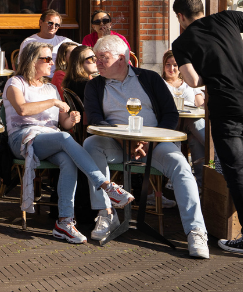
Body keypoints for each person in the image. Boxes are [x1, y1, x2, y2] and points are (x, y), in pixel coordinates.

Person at [82, 35, 208, 258]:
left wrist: (151, 142)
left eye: (103, 58)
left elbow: (170, 114)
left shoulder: (148, 78)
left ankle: (196, 230)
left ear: (122, 58)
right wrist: (126, 141)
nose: (97, 62)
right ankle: (107, 212)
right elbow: (94, 119)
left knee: (180, 164)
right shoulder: (94, 85)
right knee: (91, 144)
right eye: (96, 58)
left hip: (154, 145)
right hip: (115, 143)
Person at [3, 42, 133, 244]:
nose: (51, 62)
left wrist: (71, 119)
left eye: (50, 58)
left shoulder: (50, 88)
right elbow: (22, 109)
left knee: (67, 159)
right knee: (65, 139)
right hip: (22, 138)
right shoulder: (15, 83)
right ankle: (105, 185)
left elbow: (61, 124)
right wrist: (54, 102)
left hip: (49, 137)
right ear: (31, 61)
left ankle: (64, 221)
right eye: (46, 58)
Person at [171, 0, 243, 255]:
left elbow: (193, 81)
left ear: (181, 17)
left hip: (225, 110)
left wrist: (215, 74)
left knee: (237, 173)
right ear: (202, 10)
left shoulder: (182, 42)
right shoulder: (228, 17)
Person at [162, 49, 206, 186]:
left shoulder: (189, 83)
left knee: (195, 129)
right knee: (195, 135)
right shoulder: (160, 83)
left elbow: (200, 105)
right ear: (163, 66)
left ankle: (200, 183)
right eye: (168, 65)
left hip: (189, 125)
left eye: (175, 65)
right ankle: (216, 152)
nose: (171, 68)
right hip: (170, 125)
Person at [19, 9, 75, 75]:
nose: (53, 27)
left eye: (57, 25)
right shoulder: (29, 42)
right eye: (50, 23)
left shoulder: (64, 41)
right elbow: (23, 66)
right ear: (40, 23)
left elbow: (82, 52)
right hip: (38, 79)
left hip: (59, 80)